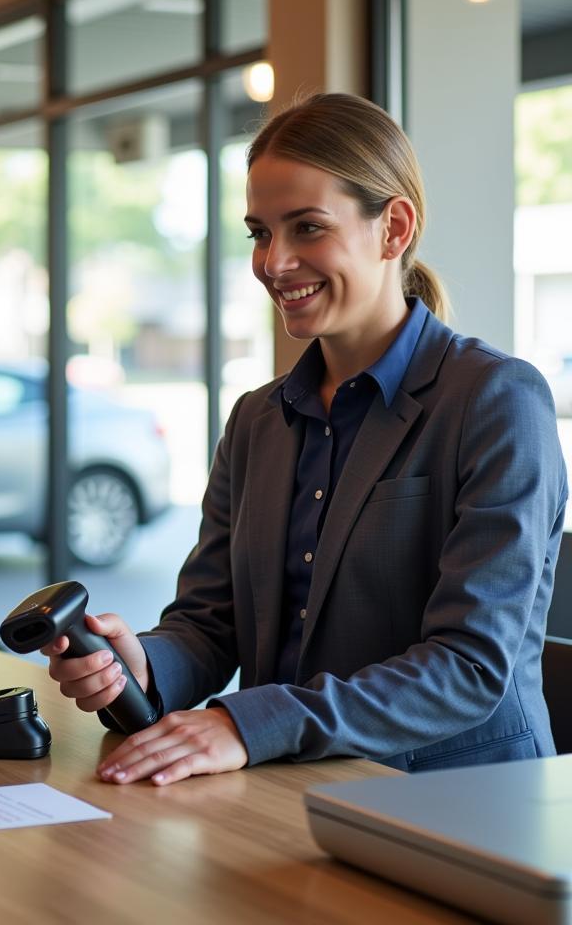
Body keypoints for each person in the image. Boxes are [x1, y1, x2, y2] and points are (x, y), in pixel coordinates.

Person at [44, 92, 568, 786]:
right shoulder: (257, 420)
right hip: (285, 793)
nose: (274, 261)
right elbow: (210, 624)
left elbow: (469, 667)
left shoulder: (495, 400)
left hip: (456, 806)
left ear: (394, 228)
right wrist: (139, 664)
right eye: (260, 232)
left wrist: (245, 723)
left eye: (307, 228)